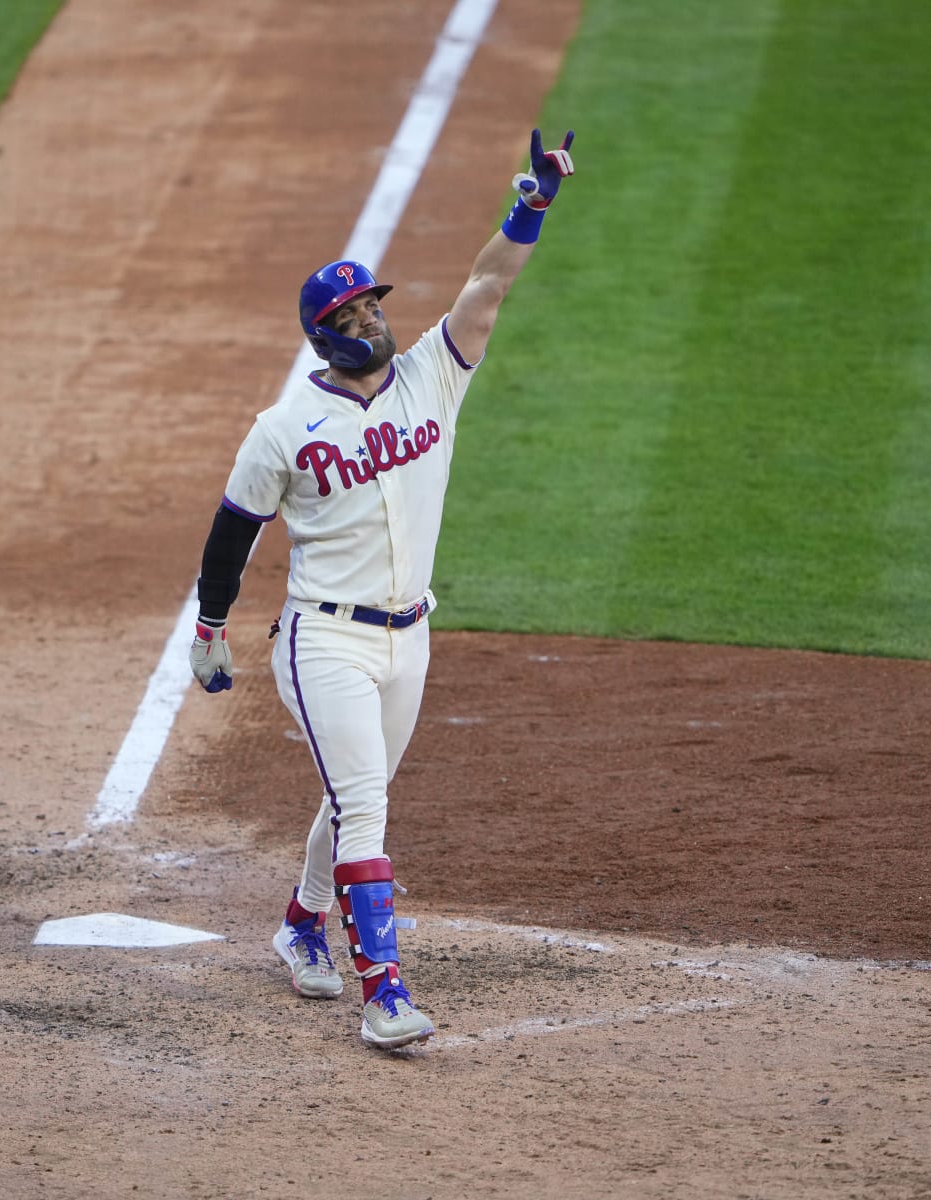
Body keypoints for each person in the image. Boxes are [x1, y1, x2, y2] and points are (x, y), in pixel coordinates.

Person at [188, 128, 577, 1049]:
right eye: (354, 314)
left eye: (374, 307)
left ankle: (299, 924)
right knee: (366, 804)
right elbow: (232, 533)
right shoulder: (283, 428)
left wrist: (533, 204)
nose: (372, 322)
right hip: (322, 639)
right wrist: (209, 627)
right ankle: (385, 995)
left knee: (351, 797)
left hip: (412, 637)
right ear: (325, 332)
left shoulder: (434, 377)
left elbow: (486, 287)